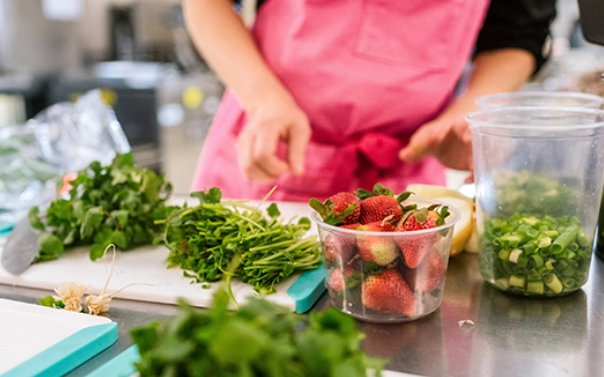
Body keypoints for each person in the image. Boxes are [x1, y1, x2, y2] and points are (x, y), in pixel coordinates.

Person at [185, 0, 556, 201]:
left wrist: (469, 109)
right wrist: (264, 100)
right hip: (273, 150)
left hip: (405, 169)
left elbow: (518, 32)